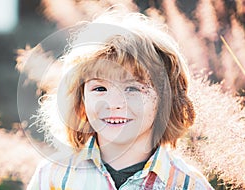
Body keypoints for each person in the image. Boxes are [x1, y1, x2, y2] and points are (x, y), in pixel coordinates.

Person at [26, 8, 214, 190]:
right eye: (100, 88)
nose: (113, 104)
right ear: (80, 101)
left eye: (132, 88)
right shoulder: (54, 176)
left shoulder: (188, 184)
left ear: (165, 100)